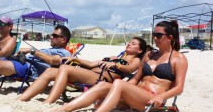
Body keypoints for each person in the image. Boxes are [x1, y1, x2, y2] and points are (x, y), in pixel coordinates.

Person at [52, 20, 188, 112]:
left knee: (118, 83)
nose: (155, 38)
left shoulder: (178, 58)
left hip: (153, 100)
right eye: (154, 34)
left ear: (170, 38)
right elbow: (135, 79)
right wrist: (116, 89)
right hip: (136, 94)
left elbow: (179, 88)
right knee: (103, 85)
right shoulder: (149, 55)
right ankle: (63, 109)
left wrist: (161, 97)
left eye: (158, 35)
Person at [17, 37, 147, 103]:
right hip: (91, 73)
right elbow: (91, 64)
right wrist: (78, 60)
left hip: (100, 79)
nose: (129, 43)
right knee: (50, 71)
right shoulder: (115, 56)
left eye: (133, 43)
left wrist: (115, 65)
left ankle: (49, 101)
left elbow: (130, 69)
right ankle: (23, 98)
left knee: (64, 68)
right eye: (129, 42)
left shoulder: (135, 60)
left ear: (140, 50)